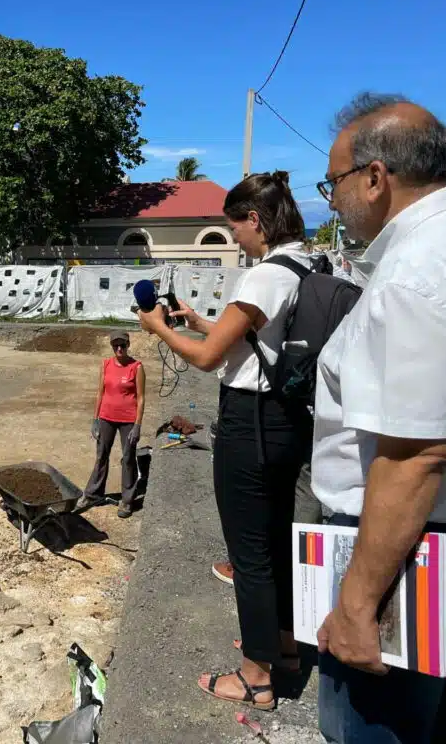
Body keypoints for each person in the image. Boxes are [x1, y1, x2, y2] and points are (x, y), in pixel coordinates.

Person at [312, 94, 446, 742]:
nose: (332, 200)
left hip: (416, 554)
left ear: (376, 178)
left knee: (378, 729)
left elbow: (414, 456)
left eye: (333, 184)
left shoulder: (417, 272)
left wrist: (358, 603)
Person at [137, 171, 313, 709]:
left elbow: (211, 357)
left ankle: (255, 677)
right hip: (287, 419)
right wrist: (199, 320)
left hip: (250, 423)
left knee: (249, 550)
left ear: (254, 220)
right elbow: (251, 339)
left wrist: (160, 328)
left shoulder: (262, 277)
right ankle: (281, 644)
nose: (233, 238)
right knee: (276, 537)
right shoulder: (306, 263)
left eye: (233, 227)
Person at [80, 330, 146, 518]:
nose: (119, 348)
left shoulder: (137, 367)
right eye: (115, 345)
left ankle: (127, 500)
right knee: (101, 455)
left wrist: (137, 425)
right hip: (106, 417)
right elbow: (100, 392)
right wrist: (95, 419)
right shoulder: (106, 364)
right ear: (112, 346)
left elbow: (141, 398)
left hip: (128, 419)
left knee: (128, 458)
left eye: (122, 345)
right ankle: (93, 494)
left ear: (128, 345)